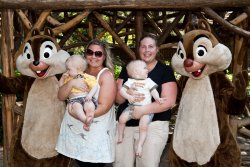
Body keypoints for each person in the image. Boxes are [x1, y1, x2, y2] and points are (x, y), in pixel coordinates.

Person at [114, 33, 177, 167]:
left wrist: (141, 111)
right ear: (139, 49)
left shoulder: (165, 71)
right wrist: (124, 91)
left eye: (151, 46)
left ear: (157, 49)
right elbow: (118, 100)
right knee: (120, 164)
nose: (147, 50)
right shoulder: (128, 69)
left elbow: (168, 101)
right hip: (126, 126)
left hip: (153, 126)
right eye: (143, 47)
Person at [56, 39, 117, 167]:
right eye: (90, 52)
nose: (93, 56)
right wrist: (71, 83)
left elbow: (105, 107)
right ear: (85, 54)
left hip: (95, 134)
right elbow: (61, 96)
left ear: (104, 56)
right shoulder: (76, 72)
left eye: (98, 54)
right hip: (76, 132)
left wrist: (82, 116)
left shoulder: (106, 75)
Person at [117, 60, 165, 157]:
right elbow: (122, 91)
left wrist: (157, 98)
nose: (147, 69)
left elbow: (153, 91)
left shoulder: (148, 81)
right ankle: (120, 135)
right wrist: (128, 97)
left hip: (146, 110)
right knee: (121, 119)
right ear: (136, 72)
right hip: (132, 107)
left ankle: (140, 145)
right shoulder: (130, 81)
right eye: (144, 68)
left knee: (143, 126)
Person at [59, 55, 98, 131]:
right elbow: (61, 88)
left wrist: (90, 95)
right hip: (75, 100)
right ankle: (85, 120)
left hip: (86, 97)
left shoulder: (86, 77)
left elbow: (95, 86)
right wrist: (62, 79)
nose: (67, 71)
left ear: (78, 69)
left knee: (89, 106)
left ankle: (89, 119)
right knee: (77, 107)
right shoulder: (68, 79)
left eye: (69, 69)